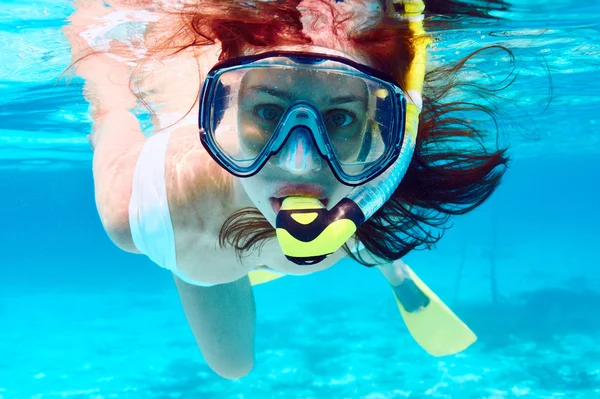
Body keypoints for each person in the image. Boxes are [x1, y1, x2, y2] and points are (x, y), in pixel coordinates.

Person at [64, 0, 509, 379]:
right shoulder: (145, 208)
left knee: (371, 222)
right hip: (199, 236)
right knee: (231, 366)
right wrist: (107, 103)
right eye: (267, 111)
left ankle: (385, 263)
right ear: (223, 104)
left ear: (384, 125)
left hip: (348, 215)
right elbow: (110, 116)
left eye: (339, 118)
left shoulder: (377, 173)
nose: (301, 163)